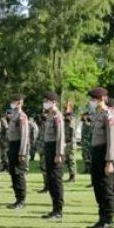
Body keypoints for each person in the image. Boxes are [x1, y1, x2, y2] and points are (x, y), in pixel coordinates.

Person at [86, 88, 114, 228]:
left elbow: (111, 140)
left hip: (105, 153)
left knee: (106, 188)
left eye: (93, 99)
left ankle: (108, 220)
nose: (91, 102)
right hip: (96, 153)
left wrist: (110, 161)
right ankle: (101, 219)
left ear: (101, 99)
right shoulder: (97, 115)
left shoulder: (108, 115)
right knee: (98, 187)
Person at [40, 92, 66, 220]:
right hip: (49, 149)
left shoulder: (57, 116)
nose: (45, 103)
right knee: (50, 180)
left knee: (56, 181)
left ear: (54, 102)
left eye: (48, 101)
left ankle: (58, 210)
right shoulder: (49, 116)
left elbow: (60, 137)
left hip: (56, 150)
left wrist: (58, 154)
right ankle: (54, 209)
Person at [4, 95, 30, 211]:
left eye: (15, 102)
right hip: (12, 146)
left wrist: (22, 153)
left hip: (19, 146)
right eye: (12, 101)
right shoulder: (14, 115)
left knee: (19, 174)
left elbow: (24, 136)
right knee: (13, 173)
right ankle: (17, 199)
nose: (12, 103)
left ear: (20, 103)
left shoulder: (22, 116)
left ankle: (21, 200)